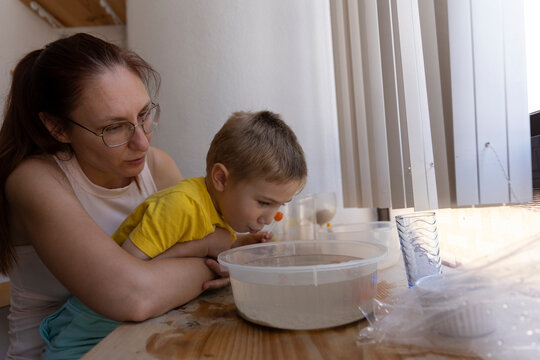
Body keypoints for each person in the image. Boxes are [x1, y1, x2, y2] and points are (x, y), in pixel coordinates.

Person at [0, 33, 257, 359]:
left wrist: (218, 254)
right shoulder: (34, 181)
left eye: (144, 115)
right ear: (57, 128)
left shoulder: (157, 166)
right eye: (114, 128)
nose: (143, 142)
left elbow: (215, 238)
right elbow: (133, 297)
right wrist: (215, 262)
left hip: (143, 343)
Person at [39, 110, 308, 359]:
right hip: (87, 336)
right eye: (263, 203)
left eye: (279, 205)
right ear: (221, 179)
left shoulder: (220, 210)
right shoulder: (181, 206)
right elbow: (128, 268)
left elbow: (195, 247)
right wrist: (205, 247)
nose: (271, 217)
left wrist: (235, 246)